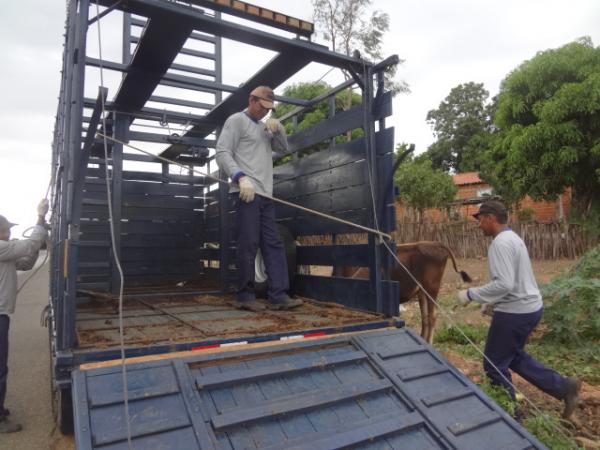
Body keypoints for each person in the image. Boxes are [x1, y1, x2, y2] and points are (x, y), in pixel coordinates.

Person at [455, 200, 581, 420]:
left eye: (480, 219)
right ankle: (563, 387)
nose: (479, 224)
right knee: (512, 357)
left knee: (493, 364)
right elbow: (511, 280)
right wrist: (492, 303)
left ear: (490, 217)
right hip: (530, 307)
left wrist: (470, 294)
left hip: (516, 312)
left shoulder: (500, 244)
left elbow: (504, 284)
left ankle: (510, 413)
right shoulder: (512, 238)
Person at [215, 86, 302, 312]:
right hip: (247, 192)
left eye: (268, 109)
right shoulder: (236, 121)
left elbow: (283, 150)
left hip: (265, 194)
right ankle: (244, 295)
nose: (264, 112)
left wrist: (279, 129)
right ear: (251, 100)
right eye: (262, 107)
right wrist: (240, 177)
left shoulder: (266, 128)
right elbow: (222, 152)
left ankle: (279, 295)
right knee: (249, 243)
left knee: (273, 243)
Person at [0, 199, 49, 433]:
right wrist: (40, 217)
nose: (9, 232)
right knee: (0, 368)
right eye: (7, 229)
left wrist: (38, 240)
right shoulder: (1, 248)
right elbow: (28, 246)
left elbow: (27, 262)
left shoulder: (5, 252)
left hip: (2, 315)